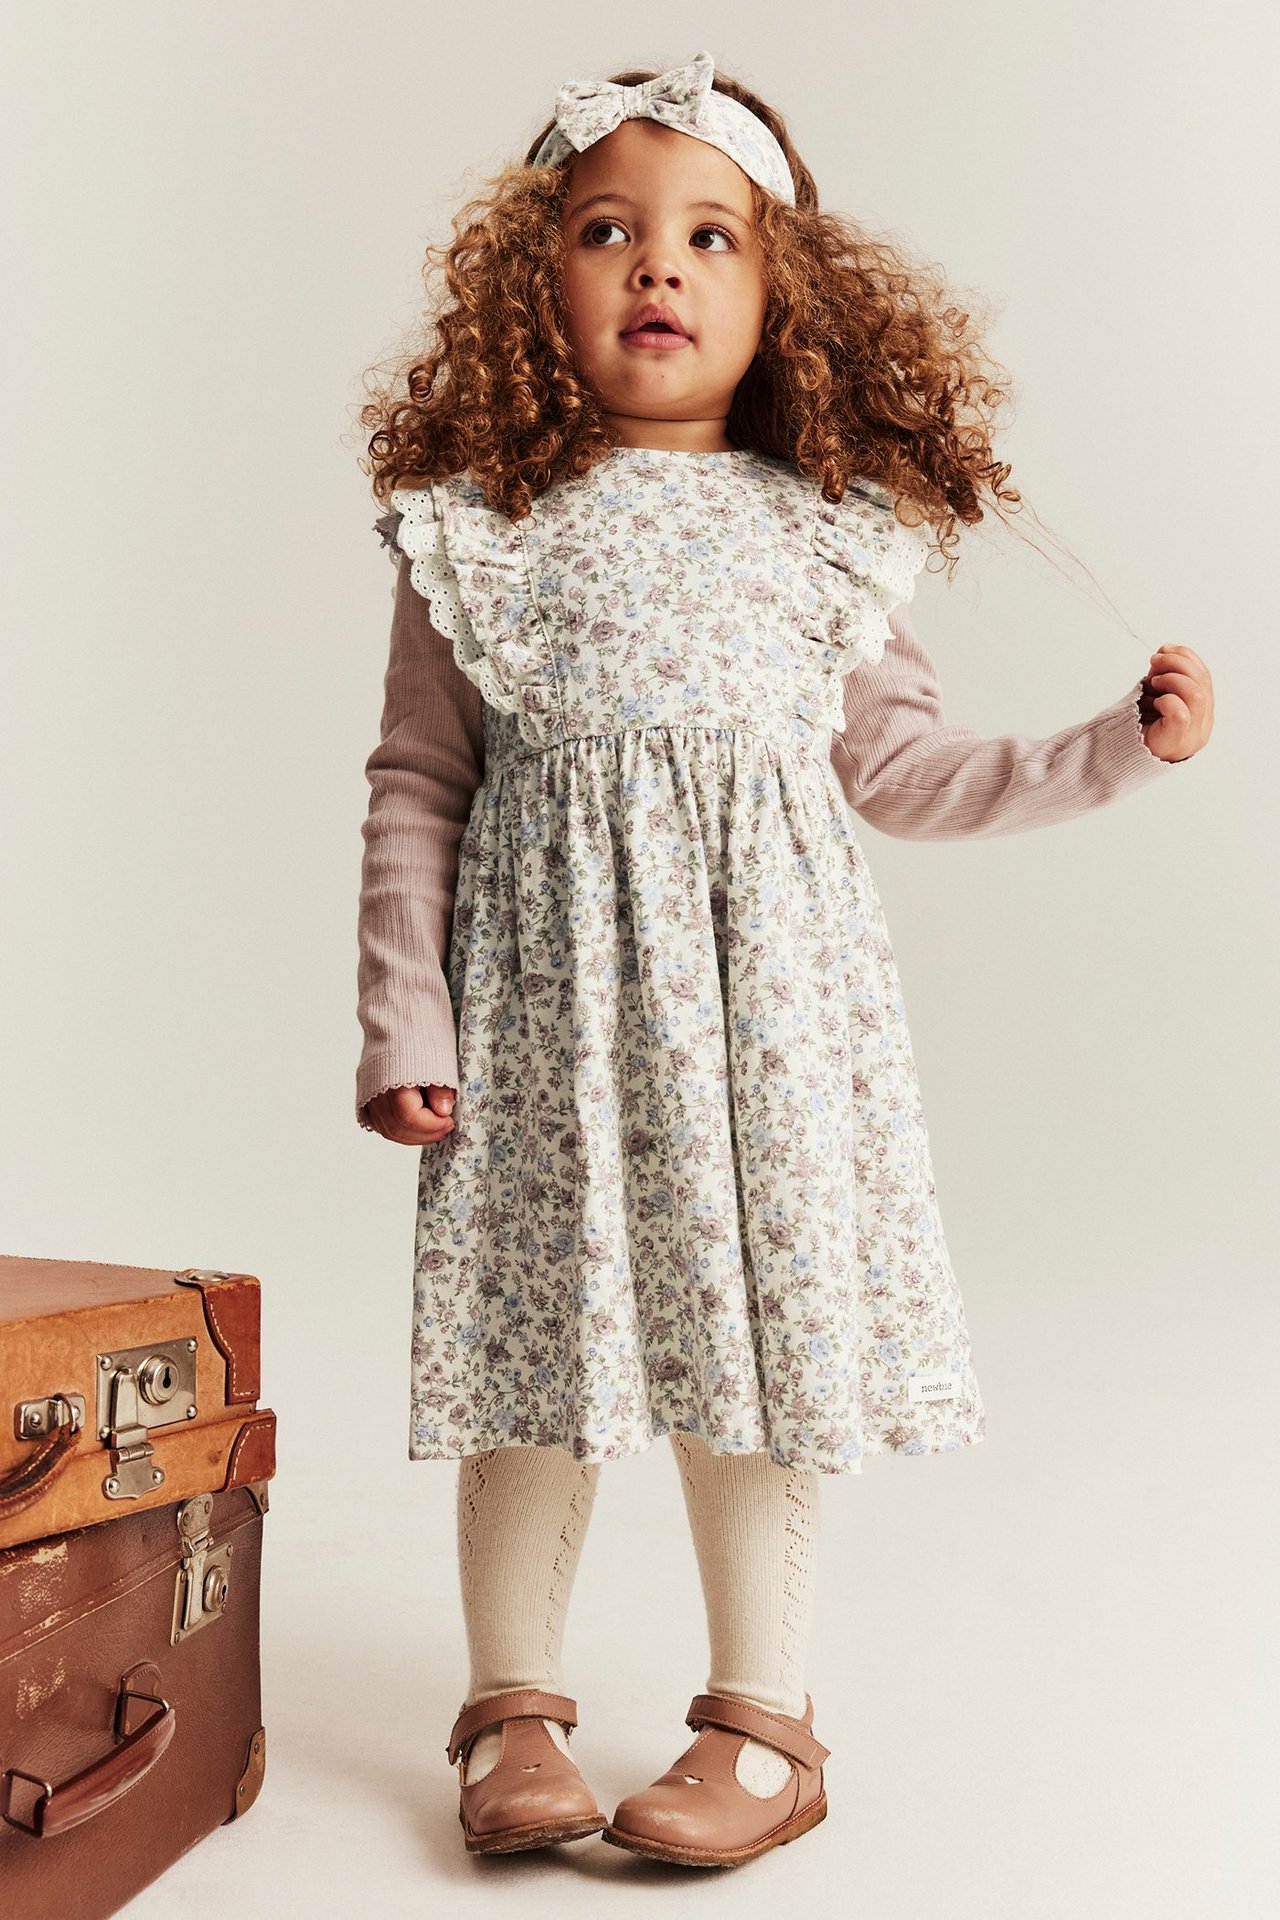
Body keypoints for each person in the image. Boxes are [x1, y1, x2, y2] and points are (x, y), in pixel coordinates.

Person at [352, 51, 1213, 1868]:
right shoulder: (478, 530)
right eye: (609, 231)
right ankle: (511, 1706)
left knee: (749, 1355)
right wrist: (402, 1013)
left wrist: (1109, 750)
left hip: (763, 1034)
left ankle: (768, 1718)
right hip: (546, 1033)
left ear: (781, 294)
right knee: (536, 1355)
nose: (658, 268)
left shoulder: (829, 534)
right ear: (537, 283)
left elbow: (904, 772)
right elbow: (420, 782)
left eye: (710, 238)